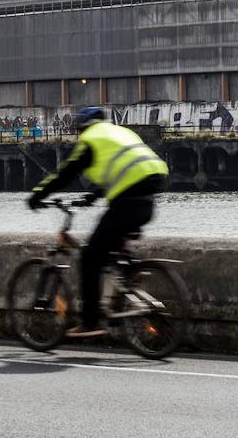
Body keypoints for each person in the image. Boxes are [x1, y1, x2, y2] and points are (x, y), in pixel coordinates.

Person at [27, 107, 168, 337]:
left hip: (128, 201)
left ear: (83, 128)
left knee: (90, 257)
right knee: (112, 243)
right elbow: (120, 171)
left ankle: (90, 322)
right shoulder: (119, 133)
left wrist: (39, 194)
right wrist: (92, 196)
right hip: (149, 195)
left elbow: (67, 173)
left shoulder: (91, 140)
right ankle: (131, 269)